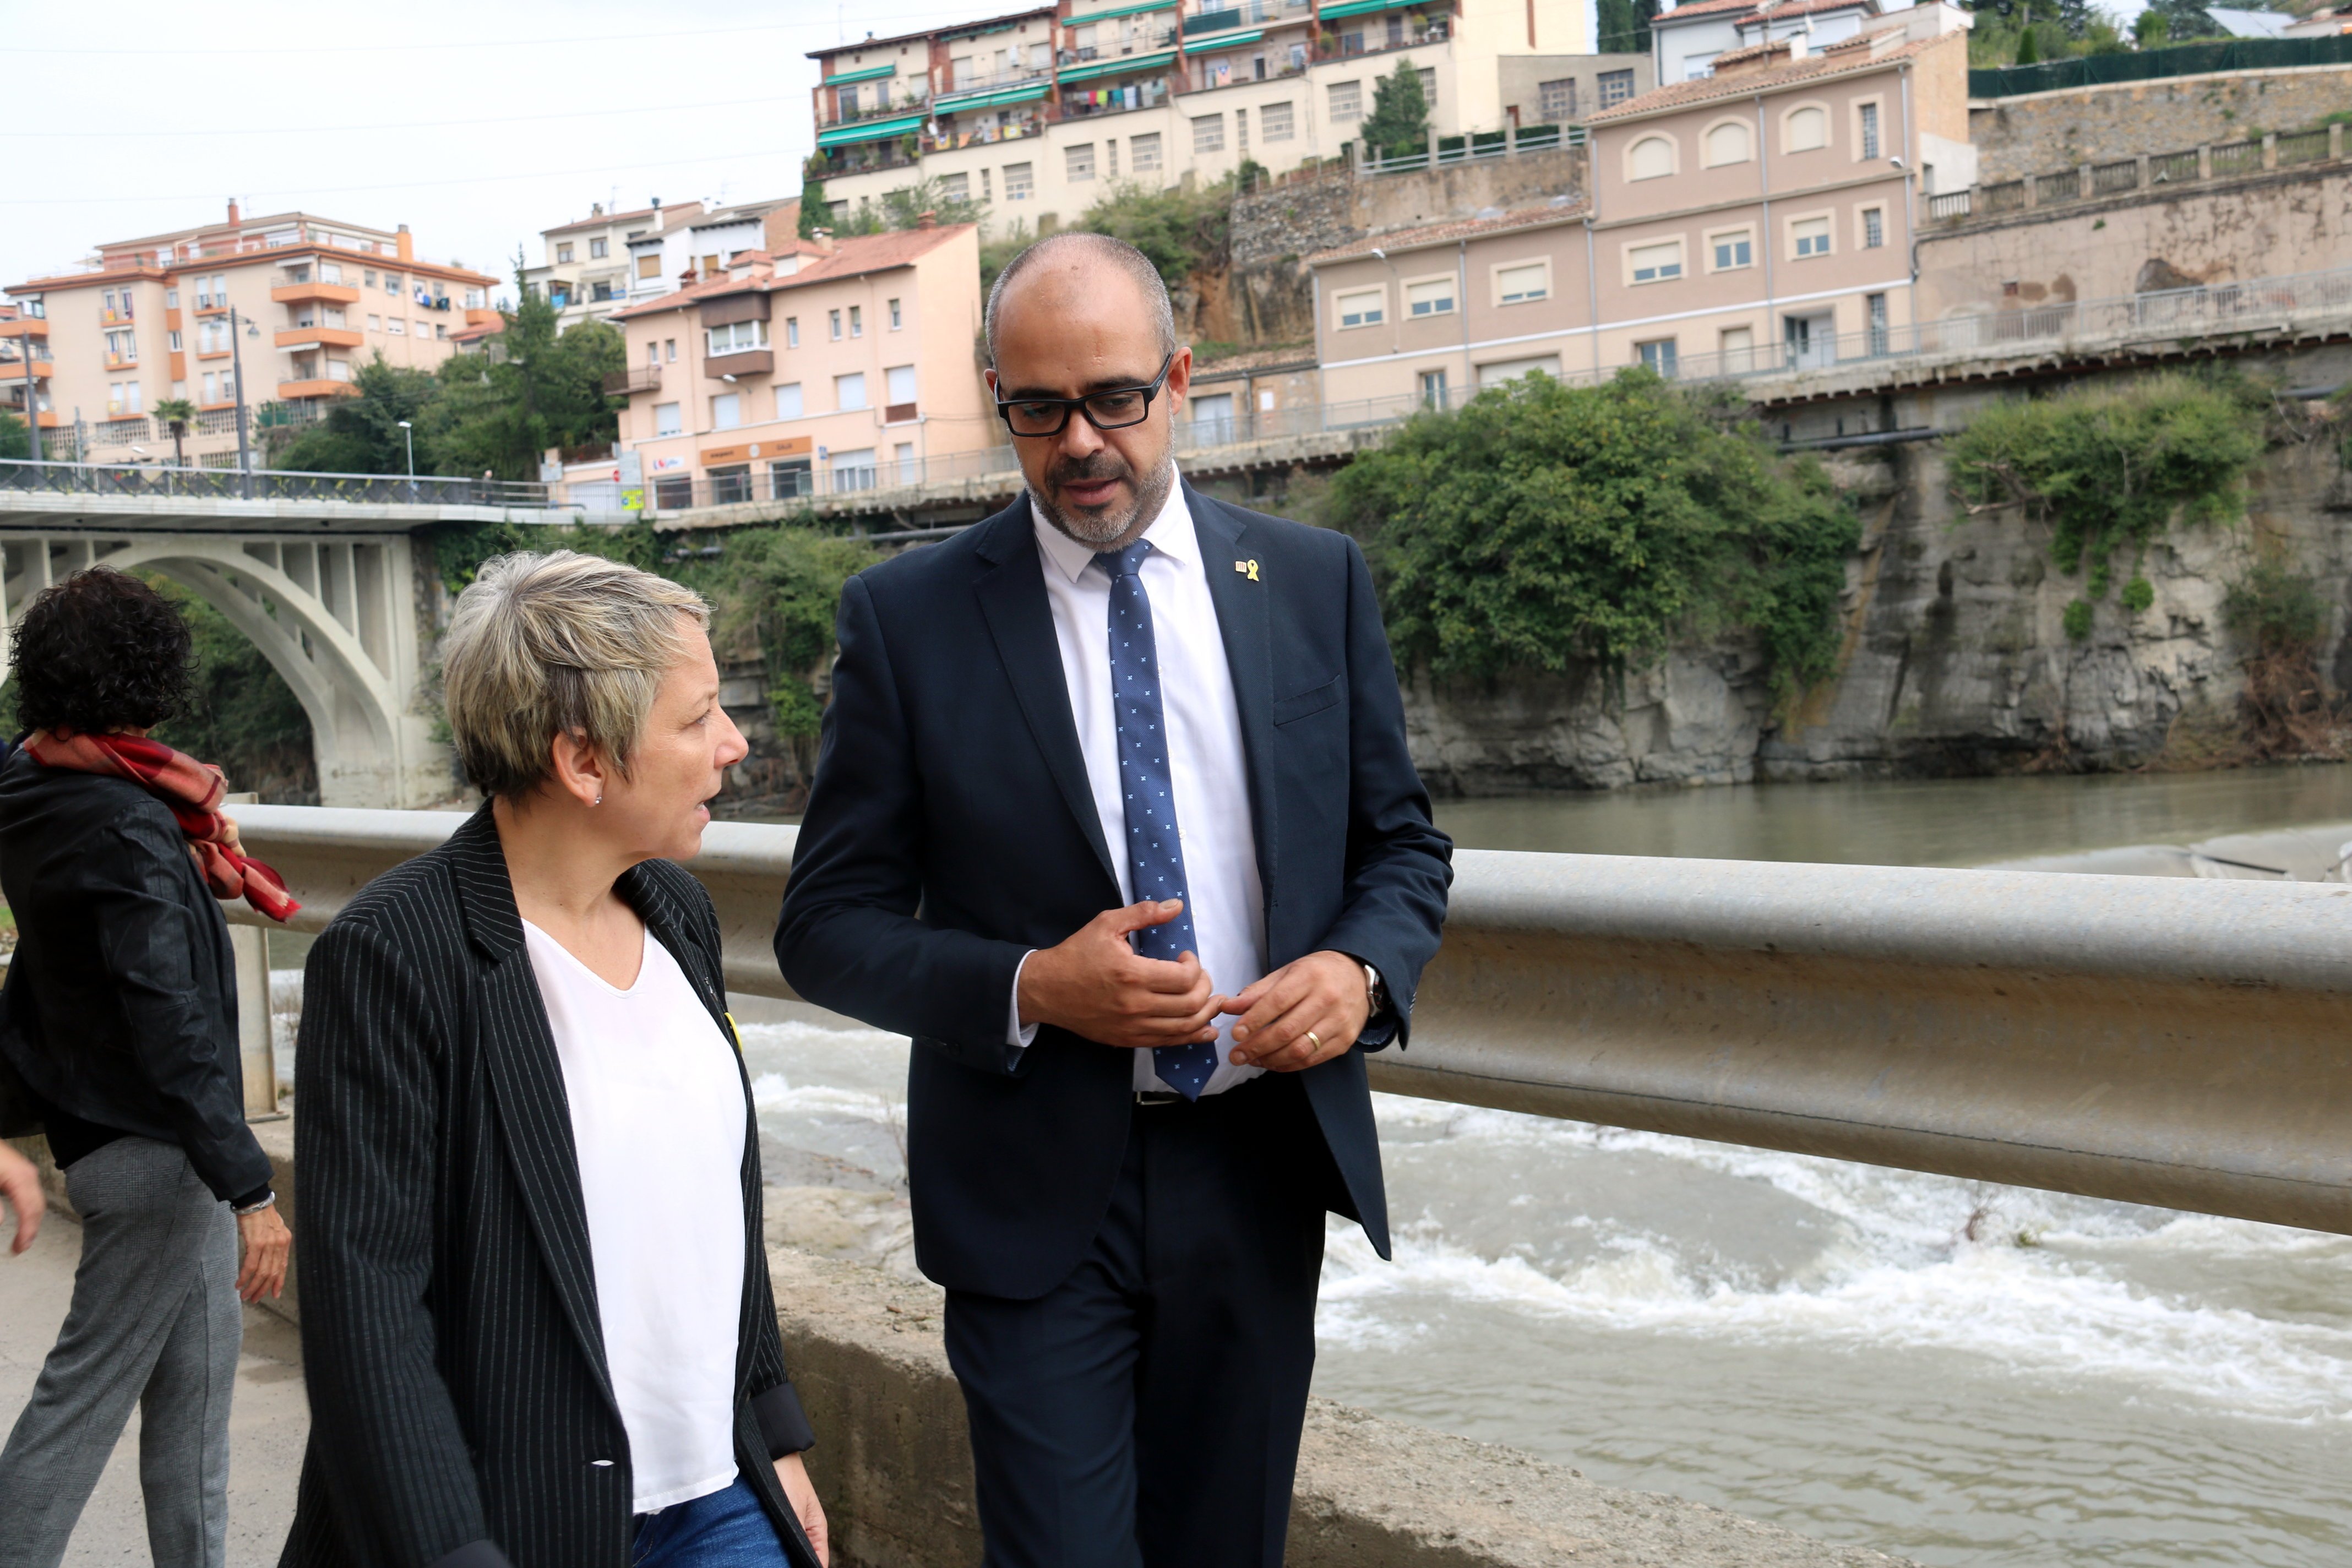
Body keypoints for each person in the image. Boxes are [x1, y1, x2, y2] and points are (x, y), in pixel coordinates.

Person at [775, 232, 1453, 1566]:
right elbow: (824, 925)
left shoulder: (1313, 582)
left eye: (1112, 399)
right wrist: (1033, 986)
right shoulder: (907, 620)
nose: (1079, 441)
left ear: (1178, 379)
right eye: (1037, 409)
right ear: (998, 403)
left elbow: (1403, 849)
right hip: (1031, 1194)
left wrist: (1360, 974)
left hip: (1256, 1168)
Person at [284, 551, 827, 1568]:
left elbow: (714, 1209)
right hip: (513, 1518)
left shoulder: (676, 912)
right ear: (583, 762)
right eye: (698, 717)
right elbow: (369, 1314)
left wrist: (777, 1433)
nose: (734, 744)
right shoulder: (396, 956)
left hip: (721, 1495)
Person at [0, 565, 295, 1568]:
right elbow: (170, 1018)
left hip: (118, 1135)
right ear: (150, 681)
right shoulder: (123, 822)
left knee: (196, 1398)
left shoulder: (36, 783)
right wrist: (250, 1185)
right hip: (160, 1152)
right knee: (80, 1401)